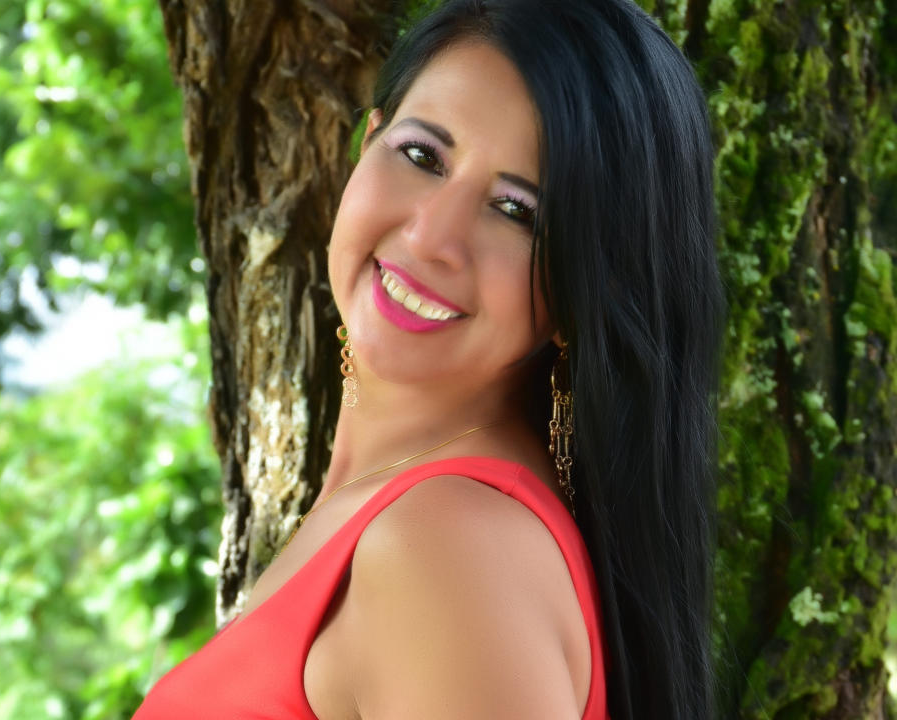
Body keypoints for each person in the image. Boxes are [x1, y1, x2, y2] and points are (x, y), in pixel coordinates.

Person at [132, 0, 723, 718]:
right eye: (422, 157)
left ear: (585, 287)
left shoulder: (447, 549)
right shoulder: (404, 517)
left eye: (517, 211)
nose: (431, 237)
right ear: (368, 141)